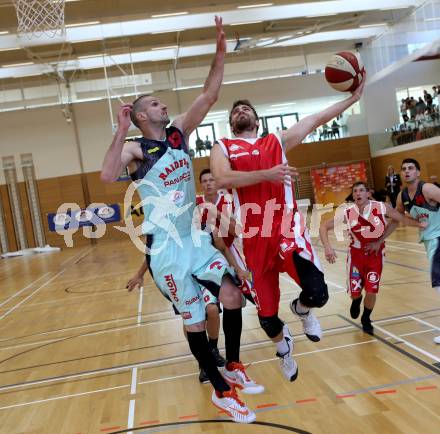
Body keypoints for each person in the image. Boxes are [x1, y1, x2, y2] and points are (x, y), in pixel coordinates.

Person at [100, 16, 261, 424]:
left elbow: (208, 95)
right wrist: (119, 131)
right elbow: (105, 175)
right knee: (193, 323)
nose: (163, 105)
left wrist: (220, 53)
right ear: (139, 116)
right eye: (154, 104)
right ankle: (222, 392)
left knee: (231, 295)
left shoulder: (177, 135)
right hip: (167, 250)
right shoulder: (136, 149)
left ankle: (233, 364)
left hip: (194, 238)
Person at [210, 72, 366, 383]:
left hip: (285, 229)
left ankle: (302, 309)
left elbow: (315, 119)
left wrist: (352, 99)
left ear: (257, 119)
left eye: (246, 109)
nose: (240, 111)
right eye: (235, 111)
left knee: (318, 293)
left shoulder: (276, 141)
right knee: (267, 318)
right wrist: (268, 174)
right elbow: (223, 179)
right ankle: (284, 350)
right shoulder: (223, 146)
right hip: (253, 239)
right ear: (231, 124)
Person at [319, 181, 424, 333]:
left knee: (371, 290)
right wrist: (327, 248)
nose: (358, 194)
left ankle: (366, 318)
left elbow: (401, 218)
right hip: (356, 257)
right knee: (355, 293)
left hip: (375, 255)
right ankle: (356, 300)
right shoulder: (348, 213)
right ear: (353, 195)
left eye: (361, 190)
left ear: (368, 193)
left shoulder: (381, 207)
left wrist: (420, 224)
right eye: (355, 191)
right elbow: (323, 226)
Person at [370, 159, 440, 344]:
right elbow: (395, 219)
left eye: (411, 168)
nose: (407, 171)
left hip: (438, 238)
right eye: (404, 169)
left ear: (418, 172)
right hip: (431, 240)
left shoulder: (428, 189)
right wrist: (379, 240)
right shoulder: (402, 196)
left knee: (439, 282)